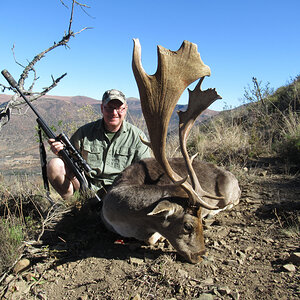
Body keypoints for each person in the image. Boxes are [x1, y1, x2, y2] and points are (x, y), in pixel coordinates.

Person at [47, 89, 151, 201]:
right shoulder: (84, 132)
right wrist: (60, 152)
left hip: (120, 193)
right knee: (55, 164)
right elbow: (69, 158)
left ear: (125, 109)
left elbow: (145, 170)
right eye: (109, 107)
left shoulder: (137, 137)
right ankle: (71, 203)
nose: (114, 113)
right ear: (102, 108)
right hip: (87, 188)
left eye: (119, 108)